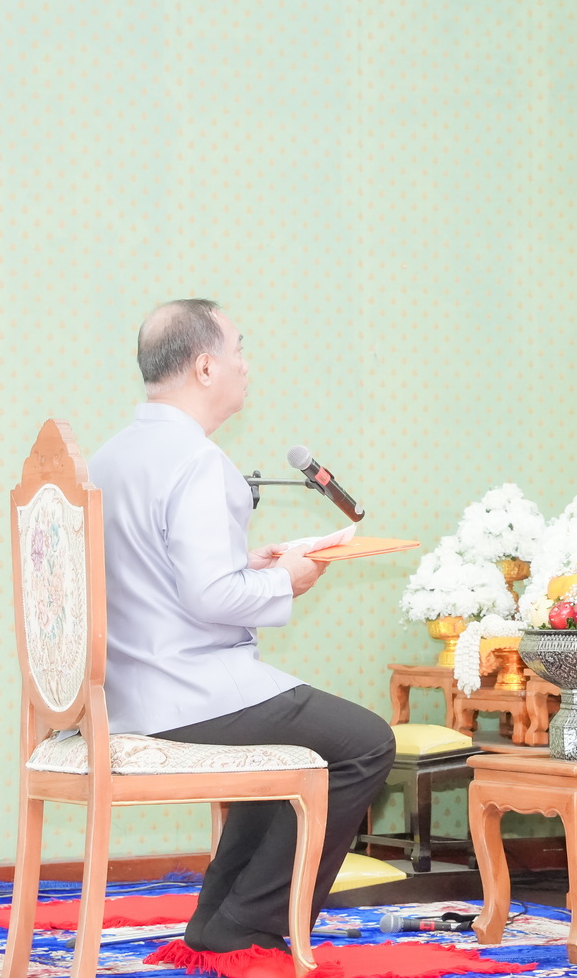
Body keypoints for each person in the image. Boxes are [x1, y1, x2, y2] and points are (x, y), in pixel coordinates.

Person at [88, 298, 395, 955]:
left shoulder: (108, 456)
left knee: (287, 743)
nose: (245, 365)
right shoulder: (199, 460)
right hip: (186, 688)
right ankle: (248, 925)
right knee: (366, 744)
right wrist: (289, 579)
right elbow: (210, 597)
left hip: (122, 690)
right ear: (205, 367)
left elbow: (148, 572)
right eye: (238, 349)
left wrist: (250, 565)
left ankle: (217, 922)